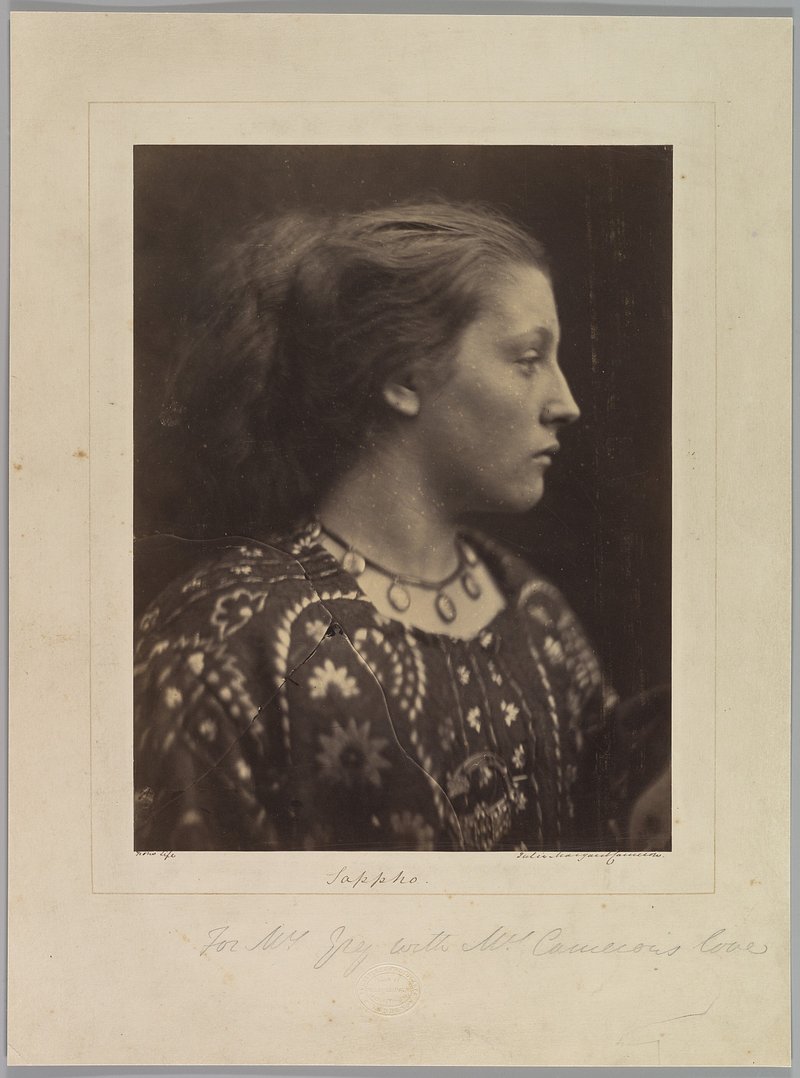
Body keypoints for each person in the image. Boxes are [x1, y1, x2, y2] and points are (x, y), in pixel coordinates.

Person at [134, 199, 669, 852]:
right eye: (529, 358)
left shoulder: (536, 615)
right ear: (404, 377)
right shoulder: (224, 641)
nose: (566, 403)